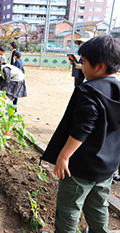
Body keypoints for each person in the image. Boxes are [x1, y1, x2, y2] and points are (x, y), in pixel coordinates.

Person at [41, 34, 120, 233]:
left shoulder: (89, 91)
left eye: (83, 62)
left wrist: (64, 156)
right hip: (106, 167)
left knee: (69, 208)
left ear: (100, 66)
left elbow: (83, 128)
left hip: (80, 167)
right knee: (99, 205)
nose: (81, 66)